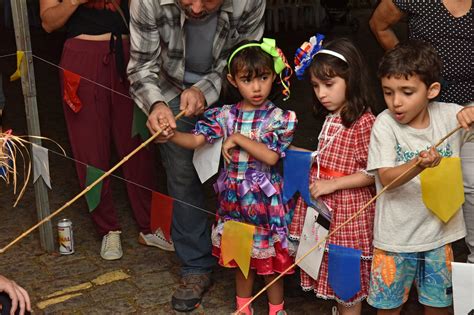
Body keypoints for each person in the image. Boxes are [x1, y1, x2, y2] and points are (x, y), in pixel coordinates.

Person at [126, 0, 265, 312]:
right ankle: (195, 266)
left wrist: (205, 89)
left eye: (209, 0)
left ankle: (249, 260)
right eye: (187, 0)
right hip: (170, 90)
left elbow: (245, 57)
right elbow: (141, 66)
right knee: (182, 175)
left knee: (242, 178)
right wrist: (157, 105)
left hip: (232, 88)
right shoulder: (146, 2)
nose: (198, 8)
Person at [159, 39, 296, 315]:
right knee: (241, 263)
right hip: (234, 205)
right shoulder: (224, 115)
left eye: (264, 78)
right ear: (233, 80)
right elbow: (198, 140)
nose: (256, 87)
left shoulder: (278, 118)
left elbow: (270, 156)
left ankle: (276, 309)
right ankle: (243, 308)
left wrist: (236, 138)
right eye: (247, 80)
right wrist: (173, 135)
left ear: (274, 75)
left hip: (266, 207)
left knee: (271, 265)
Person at [39, 0, 166, 261]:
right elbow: (48, 23)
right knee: (90, 148)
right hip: (81, 58)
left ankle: (152, 226)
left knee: (140, 143)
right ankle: (107, 228)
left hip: (130, 54)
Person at [366, 40, 474, 315]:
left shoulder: (451, 116)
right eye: (388, 92)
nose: (396, 102)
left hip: (439, 238)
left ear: (432, 90)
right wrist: (417, 165)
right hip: (395, 240)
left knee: (438, 307)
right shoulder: (384, 124)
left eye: (407, 92)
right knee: (388, 309)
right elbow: (387, 178)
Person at [288, 36, 377, 315]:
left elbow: (373, 172)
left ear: (351, 79)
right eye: (315, 86)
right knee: (330, 267)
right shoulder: (331, 116)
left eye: (329, 85)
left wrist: (333, 183)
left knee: (346, 271)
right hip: (325, 204)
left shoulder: (364, 121)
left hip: (348, 207)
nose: (321, 93)